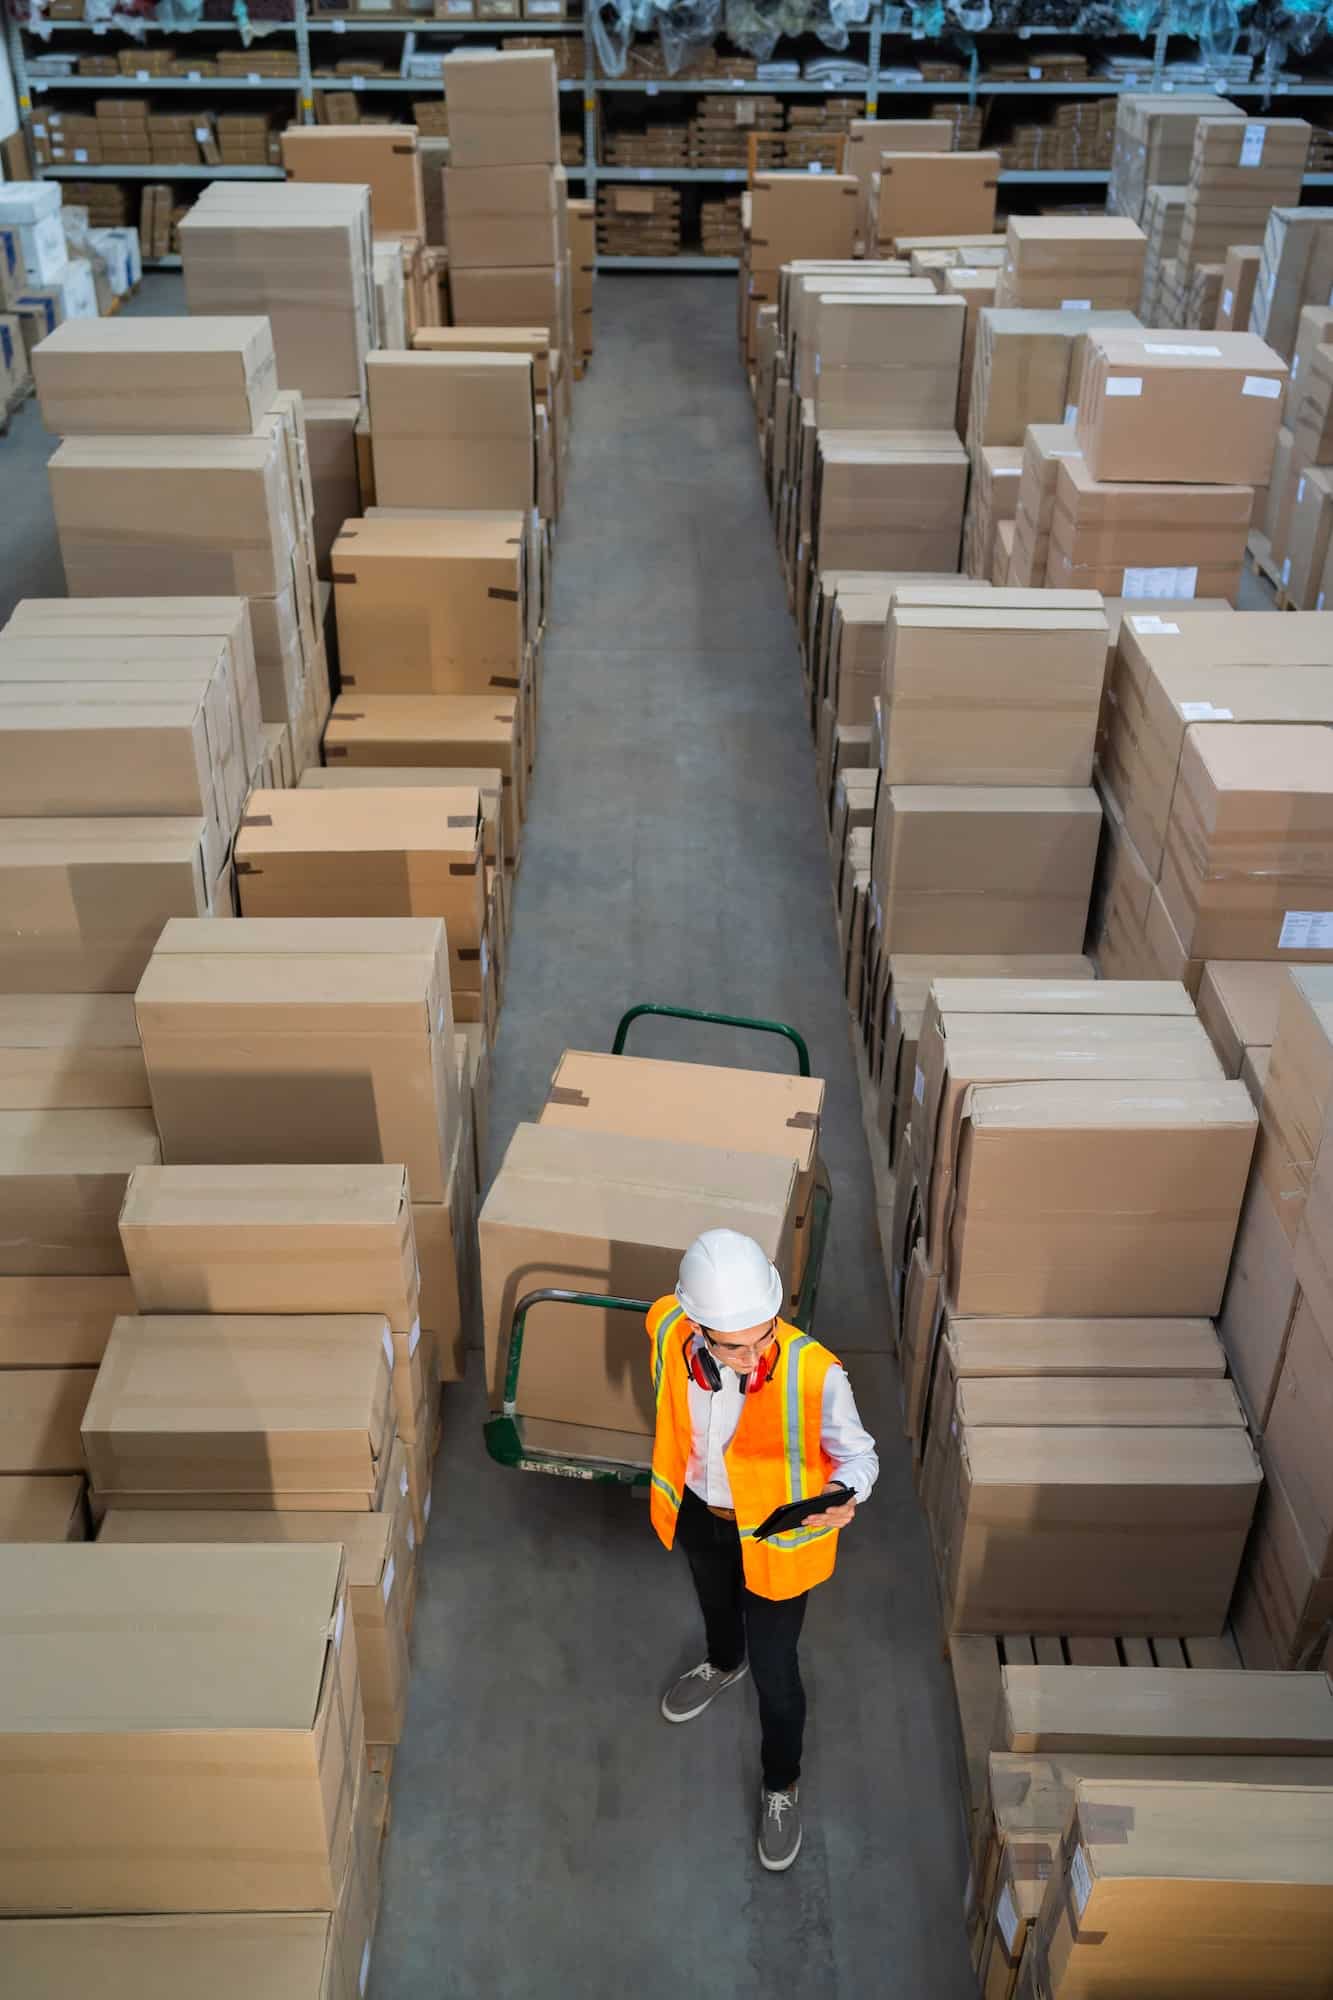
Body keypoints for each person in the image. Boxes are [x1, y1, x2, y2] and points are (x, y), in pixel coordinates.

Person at [644, 1227, 878, 1872]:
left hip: (774, 1535)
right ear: (696, 1325)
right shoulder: (667, 1326)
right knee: (715, 1607)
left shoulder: (813, 1371)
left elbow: (859, 1455)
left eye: (763, 1337)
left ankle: (782, 1782)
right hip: (699, 1512)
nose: (752, 1355)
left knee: (777, 1674)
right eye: (732, 1346)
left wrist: (844, 1492)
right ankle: (722, 1663)